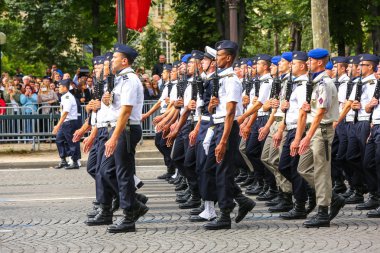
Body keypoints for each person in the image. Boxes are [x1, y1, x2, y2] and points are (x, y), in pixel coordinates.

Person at [203, 40, 255, 230]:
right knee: (210, 168)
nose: (216, 59)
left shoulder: (232, 79)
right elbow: (215, 109)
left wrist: (223, 140)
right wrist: (211, 106)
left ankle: (225, 214)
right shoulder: (219, 78)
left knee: (223, 171)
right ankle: (241, 199)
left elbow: (231, 112)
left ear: (229, 58)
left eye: (219, 56)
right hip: (217, 125)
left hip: (227, 127)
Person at [292, 48, 343, 228]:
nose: (308, 64)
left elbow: (320, 113)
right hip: (312, 131)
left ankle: (323, 211)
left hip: (321, 132)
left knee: (322, 171)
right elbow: (311, 109)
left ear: (319, 62)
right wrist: (301, 137)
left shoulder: (325, 83)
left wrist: (307, 137)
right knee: (303, 168)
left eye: (311, 61)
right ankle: (332, 197)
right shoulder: (313, 82)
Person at [99, 43, 147, 233]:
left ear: (124, 61)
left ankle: (129, 217)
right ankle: (135, 204)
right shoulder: (119, 79)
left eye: (115, 58)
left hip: (125, 130)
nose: (112, 60)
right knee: (105, 171)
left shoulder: (129, 79)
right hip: (118, 129)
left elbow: (126, 111)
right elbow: (118, 107)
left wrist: (114, 137)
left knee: (123, 174)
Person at [52, 79, 81, 170]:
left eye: (60, 87)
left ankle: (75, 161)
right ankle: (63, 160)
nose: (58, 88)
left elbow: (65, 112)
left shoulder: (68, 97)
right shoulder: (64, 96)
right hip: (65, 123)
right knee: (59, 140)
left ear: (65, 87)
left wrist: (57, 125)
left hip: (70, 122)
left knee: (72, 142)